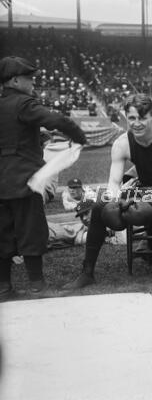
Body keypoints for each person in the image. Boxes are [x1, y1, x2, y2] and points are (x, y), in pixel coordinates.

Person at [62, 94, 152, 291]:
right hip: (143, 188)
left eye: (143, 118)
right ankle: (87, 272)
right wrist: (115, 203)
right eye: (132, 118)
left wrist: (151, 200)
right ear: (126, 117)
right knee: (99, 204)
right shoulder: (121, 143)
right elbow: (114, 183)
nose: (137, 124)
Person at [0, 56, 87, 300]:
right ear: (15, 80)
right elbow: (56, 120)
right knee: (32, 231)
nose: (33, 84)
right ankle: (38, 287)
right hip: (25, 181)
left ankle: (4, 288)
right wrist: (79, 136)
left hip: (2, 181)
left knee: (3, 234)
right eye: (29, 79)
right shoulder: (24, 104)